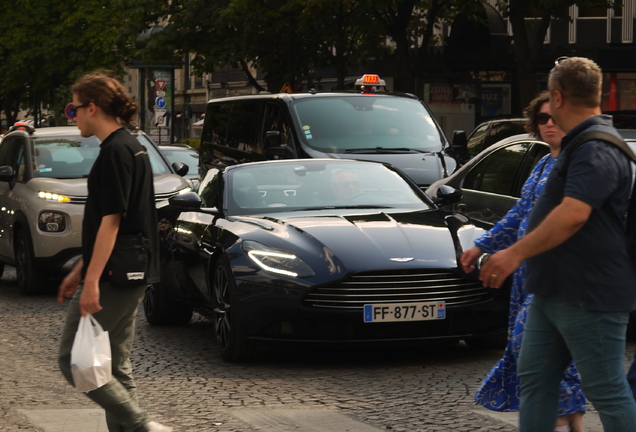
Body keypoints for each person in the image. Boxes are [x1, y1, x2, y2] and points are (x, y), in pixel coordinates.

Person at [480, 56, 636, 431]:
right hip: (551, 291)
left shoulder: (596, 147)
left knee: (606, 389)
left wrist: (513, 254)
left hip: (590, 295)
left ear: (557, 96)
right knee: (534, 379)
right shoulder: (577, 145)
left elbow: (574, 213)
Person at [461, 91, 586, 432]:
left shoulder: (578, 164)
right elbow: (519, 213)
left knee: (535, 350)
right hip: (525, 277)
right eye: (542, 119)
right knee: (537, 354)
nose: (549, 124)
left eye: (555, 117)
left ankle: (561, 419)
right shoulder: (543, 163)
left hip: (557, 278)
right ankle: (569, 422)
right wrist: (481, 245)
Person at [56, 72, 172, 432]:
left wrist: (90, 282)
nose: (72, 118)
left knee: (74, 360)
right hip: (131, 268)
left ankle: (143, 424)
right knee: (115, 366)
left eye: (74, 110)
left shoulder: (115, 152)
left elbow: (112, 221)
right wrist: (79, 271)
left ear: (92, 108)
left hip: (113, 275)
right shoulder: (132, 144)